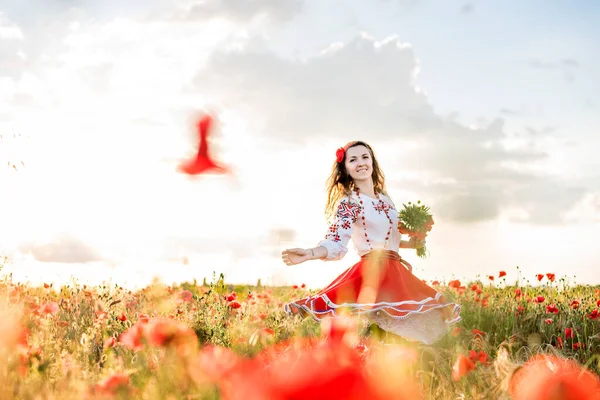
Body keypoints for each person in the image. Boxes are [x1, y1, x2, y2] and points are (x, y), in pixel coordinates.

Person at [281, 141, 461, 345]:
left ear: (373, 162)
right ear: (346, 168)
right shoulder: (349, 202)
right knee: (372, 337)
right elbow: (337, 241)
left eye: (365, 157)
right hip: (371, 273)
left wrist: (415, 242)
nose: (360, 163)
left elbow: (389, 240)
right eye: (353, 159)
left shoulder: (386, 200)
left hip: (396, 273)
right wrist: (310, 253)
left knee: (406, 339)